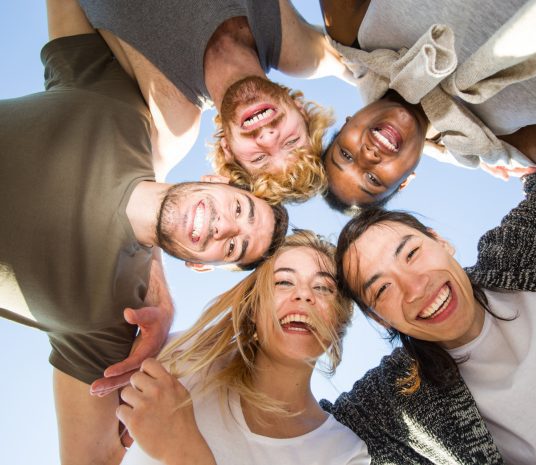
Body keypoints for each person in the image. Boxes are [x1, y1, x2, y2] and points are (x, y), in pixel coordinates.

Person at [0, 4, 288, 464]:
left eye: (234, 245)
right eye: (240, 208)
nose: (226, 225)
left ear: (201, 264)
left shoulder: (113, 322)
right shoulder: (121, 108)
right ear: (216, 181)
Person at [324, 165, 536, 464]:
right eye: (382, 289)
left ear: (441, 242)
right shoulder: (393, 401)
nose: (416, 288)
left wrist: (450, 145)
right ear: (380, 318)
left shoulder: (522, 247)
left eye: (411, 254)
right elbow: (305, 441)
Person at [319, 0, 536, 210]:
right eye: (372, 178)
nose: (367, 156)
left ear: (346, 123)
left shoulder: (352, 34)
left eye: (345, 154)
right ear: (406, 181)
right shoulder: (497, 143)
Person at [114, 231, 370, 465]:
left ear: (340, 323)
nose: (303, 295)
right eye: (283, 282)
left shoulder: (344, 453)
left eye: (323, 288)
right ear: (253, 312)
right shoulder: (184, 357)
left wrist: (184, 452)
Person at [74, 0, 350, 203]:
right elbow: (373, 67)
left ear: (227, 150)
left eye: (259, 157)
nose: (267, 136)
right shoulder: (300, 50)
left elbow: (123, 197)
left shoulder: (171, 119)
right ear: (302, 112)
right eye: (291, 142)